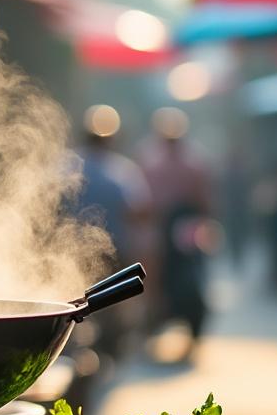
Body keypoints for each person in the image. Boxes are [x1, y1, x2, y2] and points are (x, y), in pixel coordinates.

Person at [71, 106, 151, 359]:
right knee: (110, 304)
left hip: (70, 250)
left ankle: (77, 348)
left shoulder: (66, 166)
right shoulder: (122, 171)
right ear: (113, 139)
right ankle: (107, 349)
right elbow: (139, 211)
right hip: (113, 250)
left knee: (72, 300)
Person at [138, 107, 212, 352]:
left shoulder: (152, 158)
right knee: (154, 276)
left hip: (177, 230)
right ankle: (155, 318)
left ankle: (158, 317)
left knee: (160, 277)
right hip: (167, 229)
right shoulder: (190, 159)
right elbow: (205, 202)